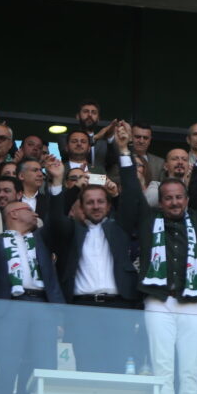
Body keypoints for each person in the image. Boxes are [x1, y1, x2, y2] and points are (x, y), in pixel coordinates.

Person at [117, 122, 197, 394]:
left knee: (191, 372)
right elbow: (131, 189)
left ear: (187, 200)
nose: (174, 202)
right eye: (168, 198)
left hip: (193, 303)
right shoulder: (148, 219)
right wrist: (123, 151)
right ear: (160, 201)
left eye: (179, 197)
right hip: (158, 301)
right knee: (163, 370)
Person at [47, 159, 141, 374]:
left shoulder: (119, 229)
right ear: (81, 207)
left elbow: (131, 206)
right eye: (90, 202)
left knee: (118, 371)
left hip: (119, 309)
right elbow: (55, 219)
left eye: (100, 202)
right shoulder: (72, 232)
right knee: (86, 369)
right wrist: (60, 182)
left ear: (108, 206)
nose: (96, 206)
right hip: (83, 310)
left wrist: (117, 192)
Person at [0, 200, 65, 394]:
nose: (35, 214)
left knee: (43, 365)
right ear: (14, 214)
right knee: (7, 364)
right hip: (11, 306)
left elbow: (57, 222)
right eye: (29, 210)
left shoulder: (42, 240)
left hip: (42, 306)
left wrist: (56, 189)